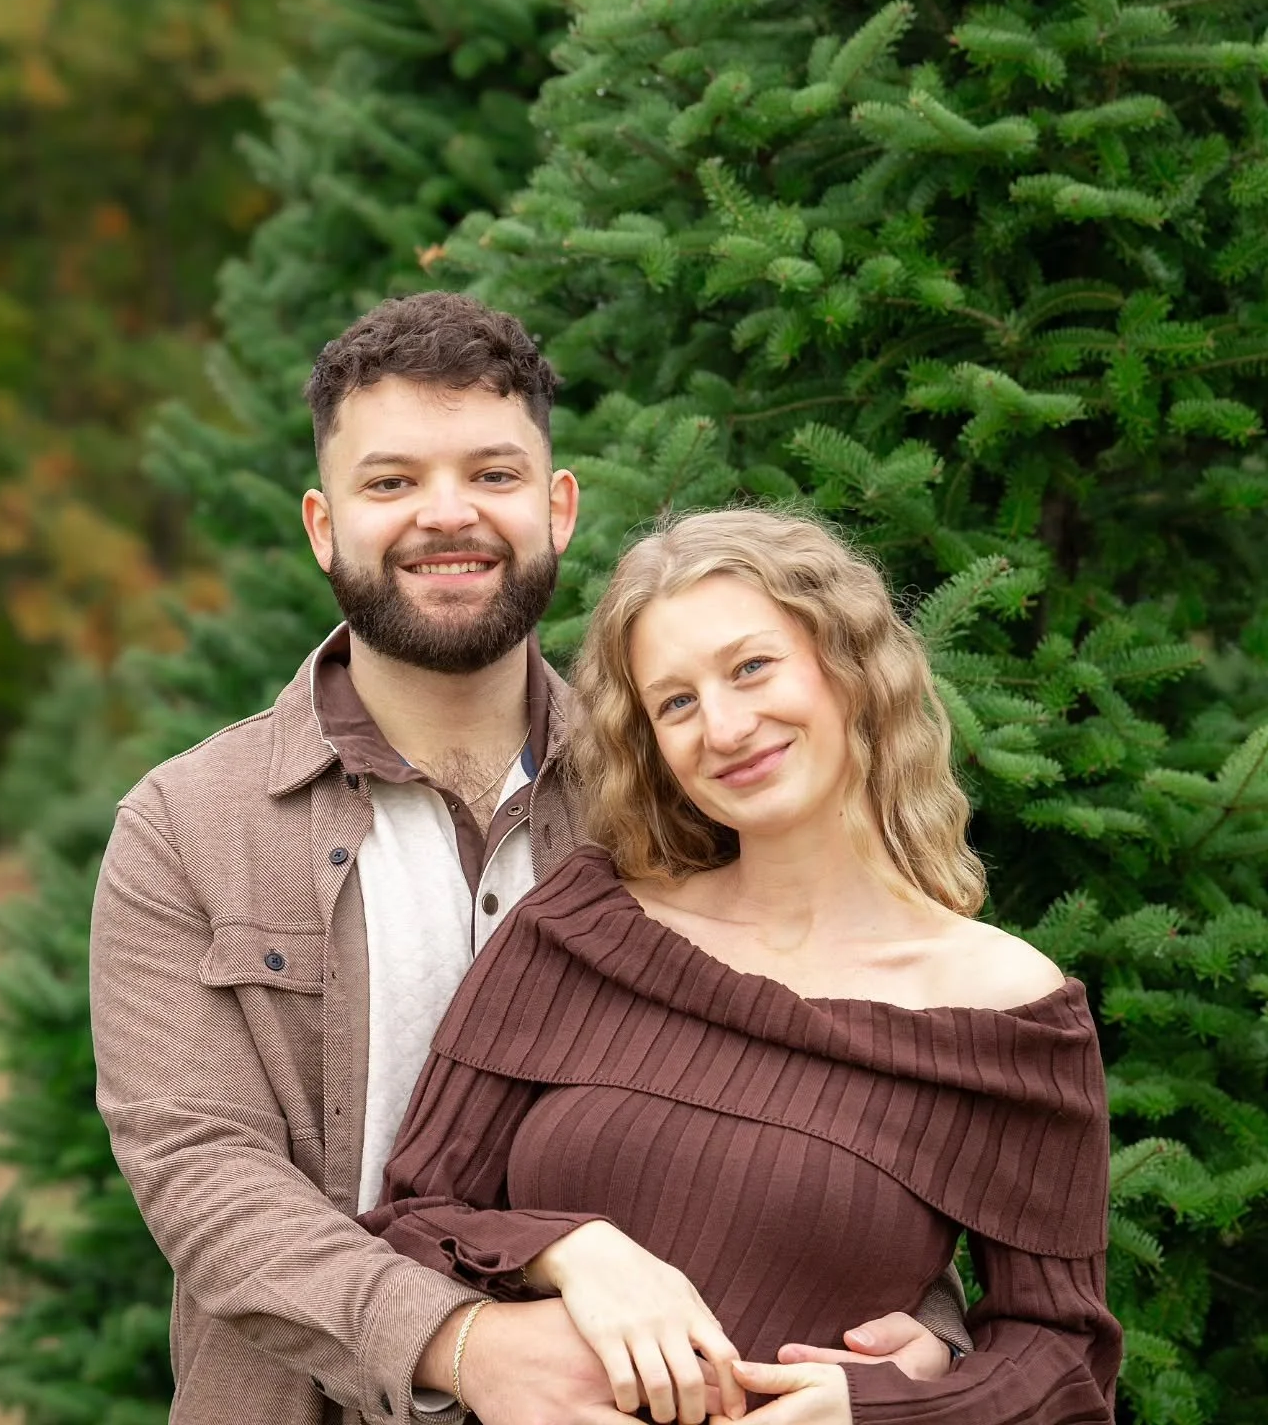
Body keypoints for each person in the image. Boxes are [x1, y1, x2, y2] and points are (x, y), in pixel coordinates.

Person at [89, 295, 967, 1425]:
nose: (445, 516)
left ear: (557, 508)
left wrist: (922, 1331)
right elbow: (207, 1182)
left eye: (493, 476)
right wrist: (464, 1345)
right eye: (391, 482)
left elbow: (837, 1070)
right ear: (322, 525)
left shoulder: (681, 786)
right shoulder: (189, 828)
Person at [363, 507, 1123, 1425]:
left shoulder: (1010, 1017)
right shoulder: (579, 932)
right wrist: (572, 1250)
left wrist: (868, 1410)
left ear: (850, 667)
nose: (723, 727)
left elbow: (1063, 1362)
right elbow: (411, 1221)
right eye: (675, 702)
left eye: (751, 667)